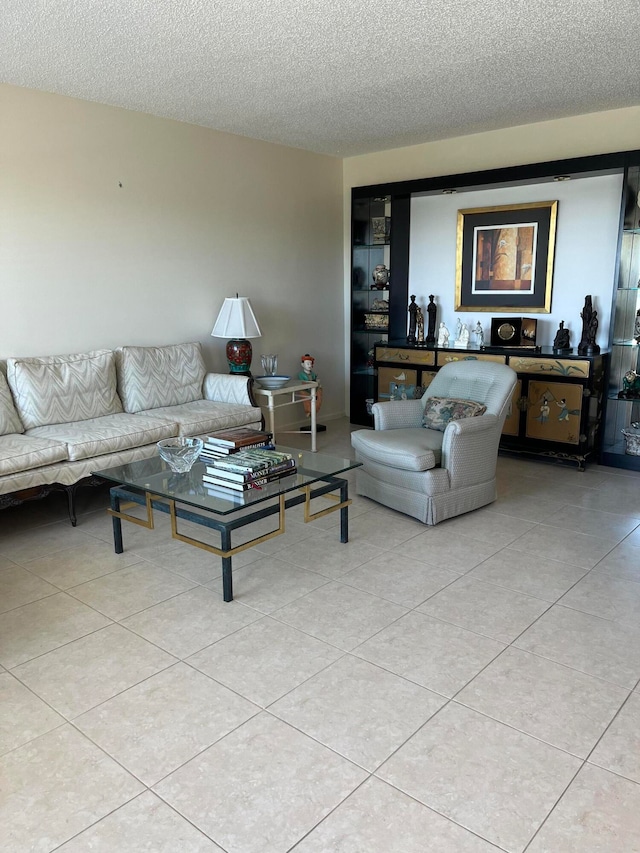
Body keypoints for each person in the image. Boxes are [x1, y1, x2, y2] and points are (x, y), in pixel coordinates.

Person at [298, 354, 323, 421]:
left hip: (314, 390)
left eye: (310, 364)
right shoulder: (301, 374)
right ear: (303, 365)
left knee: (319, 393)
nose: (309, 365)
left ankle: (314, 411)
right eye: (307, 363)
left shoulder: (313, 374)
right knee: (305, 396)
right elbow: (302, 383)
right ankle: (309, 411)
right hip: (306, 391)